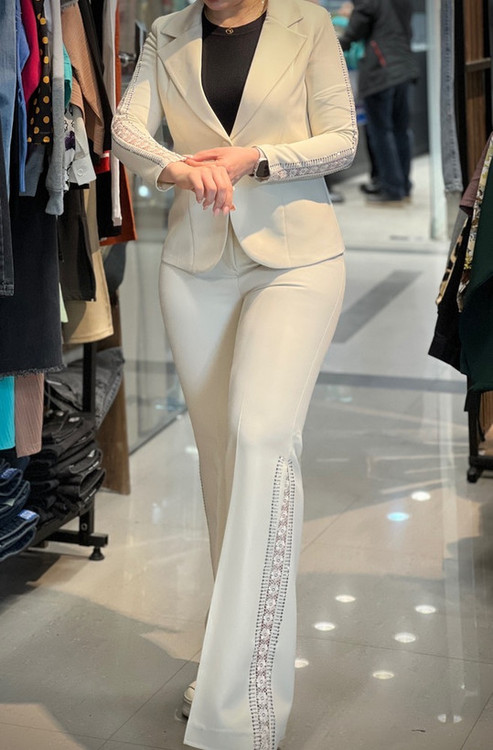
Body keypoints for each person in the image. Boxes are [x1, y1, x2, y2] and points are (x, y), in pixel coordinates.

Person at [111, 1, 357, 748]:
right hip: (195, 268)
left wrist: (258, 158)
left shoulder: (306, 23)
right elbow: (127, 128)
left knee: (260, 441)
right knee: (222, 468)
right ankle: (231, 660)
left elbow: (341, 138)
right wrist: (175, 168)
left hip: (297, 260)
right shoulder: (168, 32)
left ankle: (243, 702)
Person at [339, 0, 419, 205]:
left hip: (381, 71)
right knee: (401, 130)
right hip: (404, 67)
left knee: (381, 133)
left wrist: (336, 41)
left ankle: (391, 189)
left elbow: (353, 32)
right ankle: (403, 186)